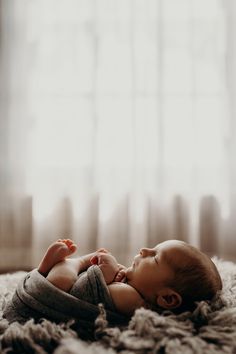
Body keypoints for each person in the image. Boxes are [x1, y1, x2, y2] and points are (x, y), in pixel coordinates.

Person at [38, 239, 222, 316]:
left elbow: (83, 293)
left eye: (155, 257)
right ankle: (46, 270)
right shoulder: (132, 287)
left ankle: (73, 262)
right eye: (153, 248)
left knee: (61, 281)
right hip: (38, 290)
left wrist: (105, 272)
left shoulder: (133, 300)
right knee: (61, 279)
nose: (144, 250)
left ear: (167, 298)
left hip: (42, 300)